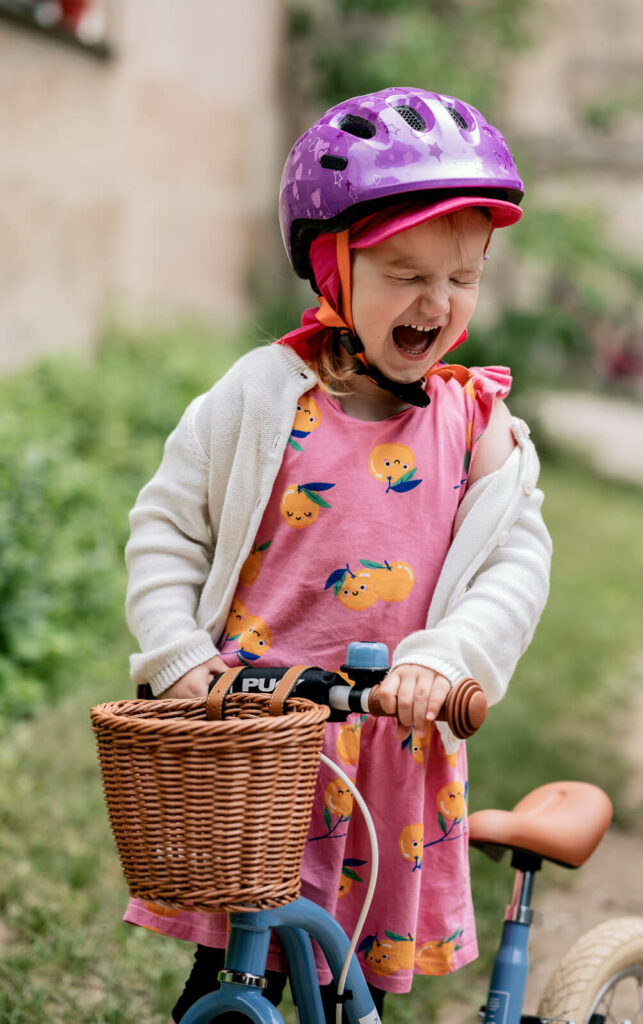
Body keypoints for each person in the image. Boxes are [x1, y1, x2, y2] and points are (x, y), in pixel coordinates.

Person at [123, 86, 552, 1022]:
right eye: (404, 273)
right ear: (332, 270)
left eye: (463, 275)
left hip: (390, 751)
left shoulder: (477, 424)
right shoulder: (259, 399)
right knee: (231, 980)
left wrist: (444, 660)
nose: (438, 302)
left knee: (351, 987)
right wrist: (178, 653)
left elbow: (516, 566)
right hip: (257, 746)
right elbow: (167, 528)